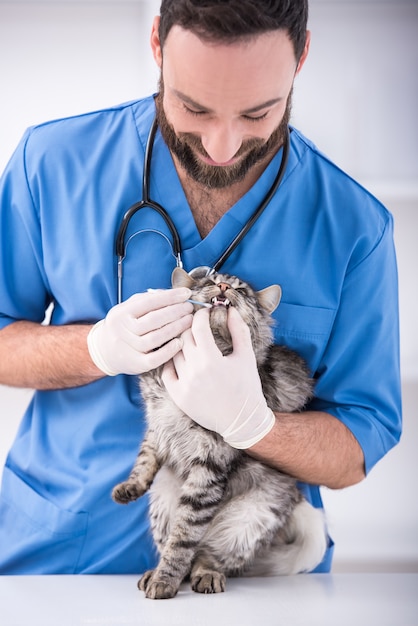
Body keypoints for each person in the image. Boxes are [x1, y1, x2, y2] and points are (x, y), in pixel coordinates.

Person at [0, 0, 401, 575]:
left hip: (248, 571)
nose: (222, 145)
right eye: (194, 107)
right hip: (64, 550)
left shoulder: (353, 227)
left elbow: (358, 447)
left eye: (259, 113)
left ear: (301, 58)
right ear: (158, 45)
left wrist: (256, 426)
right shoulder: (53, 163)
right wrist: (94, 349)